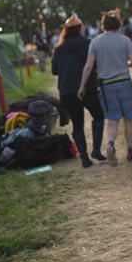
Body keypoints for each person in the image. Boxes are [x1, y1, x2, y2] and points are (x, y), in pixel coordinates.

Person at [78, 9, 132, 165]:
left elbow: (88, 66)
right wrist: (124, 64)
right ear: (118, 25)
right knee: (128, 119)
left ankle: (111, 144)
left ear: (102, 25)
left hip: (106, 86)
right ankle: (131, 152)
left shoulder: (95, 42)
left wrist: (82, 86)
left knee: (112, 120)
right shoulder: (125, 40)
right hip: (124, 82)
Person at [52, 13, 106, 167]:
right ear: (80, 29)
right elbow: (94, 64)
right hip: (88, 87)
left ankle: (84, 158)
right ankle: (96, 149)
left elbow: (55, 70)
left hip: (67, 91)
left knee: (77, 124)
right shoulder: (87, 43)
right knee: (98, 116)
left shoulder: (59, 48)